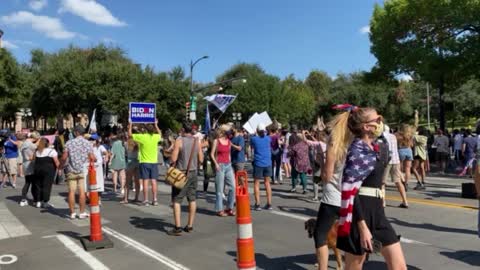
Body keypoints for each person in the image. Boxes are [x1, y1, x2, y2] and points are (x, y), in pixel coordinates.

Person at [335, 106, 407, 270]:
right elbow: (351, 191)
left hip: (378, 213)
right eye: (378, 120)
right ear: (366, 127)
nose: (381, 122)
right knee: (354, 266)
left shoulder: (374, 148)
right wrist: (363, 227)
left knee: (399, 267)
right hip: (360, 215)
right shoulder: (356, 151)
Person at [312, 109, 348, 270]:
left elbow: (327, 175)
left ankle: (323, 268)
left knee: (320, 235)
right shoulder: (356, 143)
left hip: (333, 196)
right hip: (351, 196)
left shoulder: (334, 144)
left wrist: (321, 161)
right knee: (349, 234)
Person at [168, 122, 203, 236]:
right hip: (193, 173)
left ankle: (177, 227)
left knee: (177, 200)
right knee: (192, 199)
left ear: (183, 130)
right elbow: (201, 159)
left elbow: (173, 158)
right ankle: (190, 225)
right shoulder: (196, 141)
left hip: (181, 174)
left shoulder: (179, 141)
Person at [61, 125, 94, 219]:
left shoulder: (69, 143)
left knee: (71, 192)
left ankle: (72, 213)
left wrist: (60, 166)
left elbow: (64, 157)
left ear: (76, 132)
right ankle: (82, 212)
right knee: (82, 192)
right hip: (83, 171)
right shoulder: (88, 143)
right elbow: (92, 157)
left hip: (71, 170)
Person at [128, 120, 162, 206]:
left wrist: (131, 124)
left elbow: (130, 135)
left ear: (146, 130)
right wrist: (156, 125)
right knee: (154, 181)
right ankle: (155, 199)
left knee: (145, 181)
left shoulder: (142, 137)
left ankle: (146, 200)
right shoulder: (155, 137)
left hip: (144, 162)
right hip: (154, 162)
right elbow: (160, 134)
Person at [210, 125, 236, 217]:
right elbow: (212, 154)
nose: (230, 133)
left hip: (228, 165)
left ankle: (229, 207)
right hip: (220, 165)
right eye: (229, 131)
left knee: (233, 187)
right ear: (224, 132)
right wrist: (216, 164)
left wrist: (230, 164)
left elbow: (228, 154)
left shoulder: (229, 141)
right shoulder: (216, 141)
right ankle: (219, 209)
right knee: (219, 190)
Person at [382, 125, 409, 208]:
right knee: (398, 182)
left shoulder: (382, 136)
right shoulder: (393, 136)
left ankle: (383, 202)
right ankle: (405, 201)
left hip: (386, 161)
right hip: (396, 160)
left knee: (382, 182)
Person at [250, 124, 273, 211]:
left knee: (256, 183)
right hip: (267, 162)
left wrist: (255, 133)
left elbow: (252, 145)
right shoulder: (268, 138)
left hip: (258, 162)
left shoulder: (254, 139)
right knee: (267, 183)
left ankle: (258, 204)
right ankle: (269, 203)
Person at [33, 138, 60, 208]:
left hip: (37, 169)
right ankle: (45, 201)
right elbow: (56, 161)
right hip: (48, 170)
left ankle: (38, 201)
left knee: (38, 185)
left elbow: (33, 160)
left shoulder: (37, 151)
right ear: (47, 143)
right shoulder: (52, 151)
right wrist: (59, 169)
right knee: (47, 185)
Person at [19, 132, 40, 207]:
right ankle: (35, 200)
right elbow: (37, 147)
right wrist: (38, 141)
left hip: (25, 164)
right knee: (34, 184)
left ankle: (23, 199)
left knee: (27, 182)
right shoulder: (30, 144)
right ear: (35, 138)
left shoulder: (24, 143)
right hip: (31, 164)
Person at [90, 135, 106, 203]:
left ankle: (99, 199)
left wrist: (106, 156)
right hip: (91, 166)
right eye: (91, 140)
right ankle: (92, 198)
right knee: (91, 183)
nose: (92, 141)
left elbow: (105, 152)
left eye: (93, 140)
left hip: (99, 166)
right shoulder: (89, 147)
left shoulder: (100, 147)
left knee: (99, 183)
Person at [125, 137, 141, 202]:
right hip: (137, 161)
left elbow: (126, 153)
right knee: (137, 181)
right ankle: (136, 197)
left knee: (128, 181)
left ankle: (126, 198)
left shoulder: (127, 144)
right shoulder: (139, 144)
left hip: (130, 161)